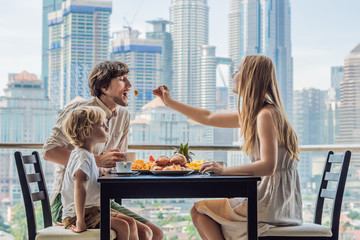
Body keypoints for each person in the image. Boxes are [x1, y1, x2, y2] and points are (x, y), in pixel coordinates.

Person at [153, 55, 303, 239]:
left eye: (238, 71)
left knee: (200, 211)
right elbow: (208, 117)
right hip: (280, 200)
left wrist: (224, 170)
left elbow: (268, 166)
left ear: (250, 78)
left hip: (272, 202)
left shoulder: (266, 114)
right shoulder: (258, 112)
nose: (233, 75)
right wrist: (170, 102)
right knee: (207, 212)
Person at [43, 60, 163, 240]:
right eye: (122, 80)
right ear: (104, 87)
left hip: (99, 199)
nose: (129, 85)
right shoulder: (80, 112)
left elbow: (117, 163)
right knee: (130, 229)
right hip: (71, 202)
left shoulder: (123, 115)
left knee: (153, 233)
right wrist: (97, 160)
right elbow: (49, 152)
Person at [61, 106, 143, 239]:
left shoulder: (87, 154)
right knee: (123, 226)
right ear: (87, 132)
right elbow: (79, 186)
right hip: (80, 214)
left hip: (93, 210)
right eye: (102, 125)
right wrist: (79, 220)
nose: (107, 128)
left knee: (130, 222)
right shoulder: (83, 157)